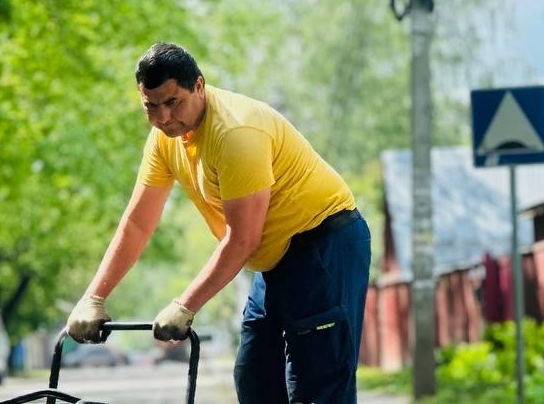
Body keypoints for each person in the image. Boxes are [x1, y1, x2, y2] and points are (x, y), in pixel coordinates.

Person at [66, 42, 371, 403]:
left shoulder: (235, 133)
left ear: (199, 85)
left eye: (172, 102)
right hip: (275, 259)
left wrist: (185, 305)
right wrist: (93, 297)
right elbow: (137, 223)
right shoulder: (166, 140)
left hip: (324, 245)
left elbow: (242, 238)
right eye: (151, 105)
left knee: (315, 385)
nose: (162, 117)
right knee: (254, 380)